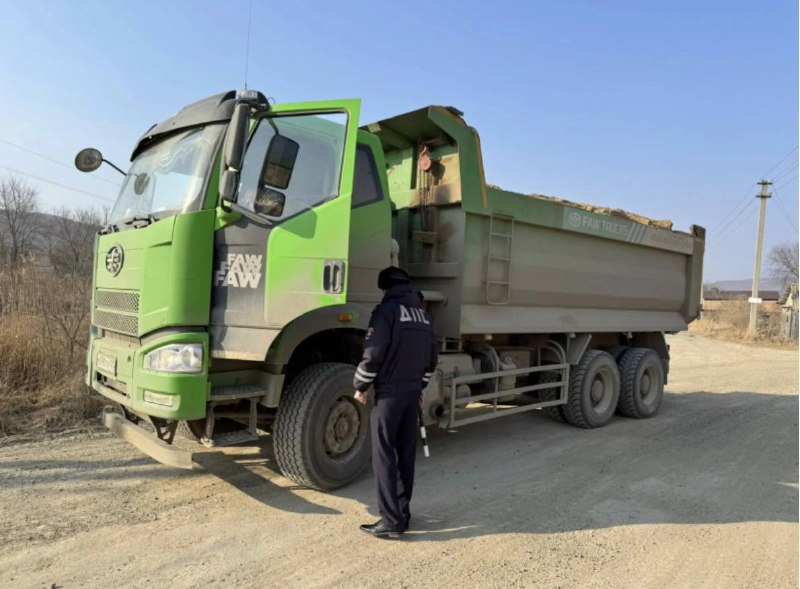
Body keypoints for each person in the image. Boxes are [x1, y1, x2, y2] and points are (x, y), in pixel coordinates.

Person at [353, 266, 438, 539]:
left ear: (385, 288)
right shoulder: (424, 316)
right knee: (405, 453)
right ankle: (403, 515)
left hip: (389, 394)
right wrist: (421, 386)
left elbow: (373, 352)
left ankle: (391, 521)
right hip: (412, 393)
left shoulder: (386, 312)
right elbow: (431, 360)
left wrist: (360, 385)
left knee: (384, 455)